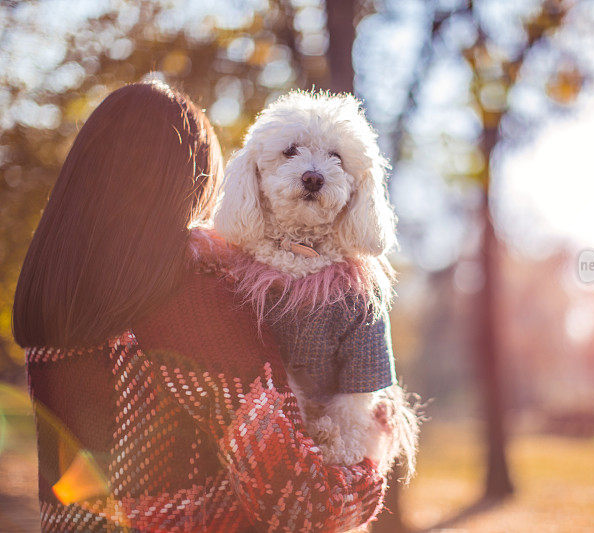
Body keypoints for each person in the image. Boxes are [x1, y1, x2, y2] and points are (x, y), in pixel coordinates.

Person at [13, 81, 391, 532]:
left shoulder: (49, 292)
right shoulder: (197, 304)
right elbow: (300, 506)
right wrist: (373, 459)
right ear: (186, 183)